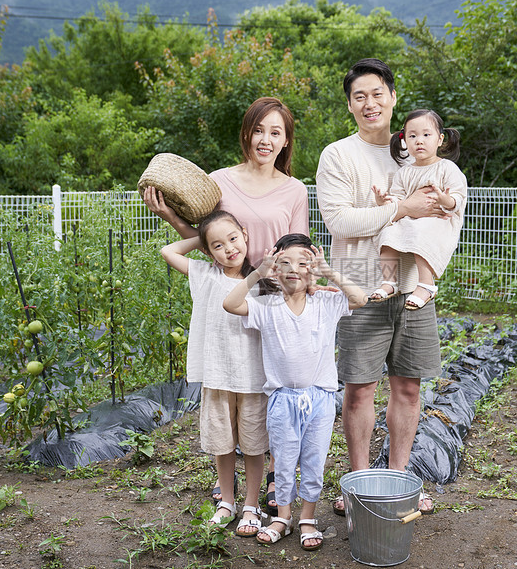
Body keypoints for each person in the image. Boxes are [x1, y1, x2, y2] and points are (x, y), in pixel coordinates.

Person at [144, 97, 307, 523]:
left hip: (269, 299)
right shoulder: (219, 182)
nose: (266, 140)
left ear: (286, 139)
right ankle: (234, 492)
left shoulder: (294, 189)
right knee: (236, 395)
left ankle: (270, 481)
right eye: (259, 130)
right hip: (229, 292)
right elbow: (208, 236)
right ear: (246, 133)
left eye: (276, 132)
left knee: (268, 394)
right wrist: (174, 221)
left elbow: (297, 249)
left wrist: (300, 295)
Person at [316, 58, 451, 515]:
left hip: (412, 288)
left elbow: (440, 210)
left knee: (408, 388)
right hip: (359, 288)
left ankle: (396, 480)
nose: (370, 103)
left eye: (378, 94)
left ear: (392, 97)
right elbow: (339, 220)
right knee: (358, 390)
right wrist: (401, 209)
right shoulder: (338, 154)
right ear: (350, 105)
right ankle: (357, 485)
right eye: (360, 96)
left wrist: (416, 210)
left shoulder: (413, 150)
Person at [223, 234, 367, 550]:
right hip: (281, 400)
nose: (294, 269)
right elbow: (230, 303)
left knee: (314, 461)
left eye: (304, 263)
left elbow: (360, 298)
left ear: (312, 269)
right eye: (284, 262)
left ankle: (308, 519)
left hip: (320, 399)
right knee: (284, 460)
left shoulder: (326, 303)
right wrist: (258, 272)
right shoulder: (266, 306)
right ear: (275, 269)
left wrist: (329, 272)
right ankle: (283, 517)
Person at [160, 210, 272, 536]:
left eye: (233, 238)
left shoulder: (263, 281)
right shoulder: (206, 274)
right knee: (223, 444)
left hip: (253, 378)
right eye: (218, 246)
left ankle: (251, 504)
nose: (229, 249)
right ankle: (227, 501)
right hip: (218, 375)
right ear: (208, 252)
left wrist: (213, 235)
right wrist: (204, 236)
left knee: (253, 445)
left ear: (245, 235)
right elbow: (168, 252)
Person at [369, 108, 467, 309]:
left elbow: (458, 198)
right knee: (386, 232)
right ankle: (389, 281)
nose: (419, 140)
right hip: (410, 219)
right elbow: (397, 200)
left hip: (439, 220)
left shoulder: (447, 168)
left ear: (440, 139)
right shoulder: (405, 172)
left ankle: (426, 284)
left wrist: (445, 199)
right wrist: (382, 202)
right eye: (412, 136)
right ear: (405, 141)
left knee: (421, 231)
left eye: (426, 135)